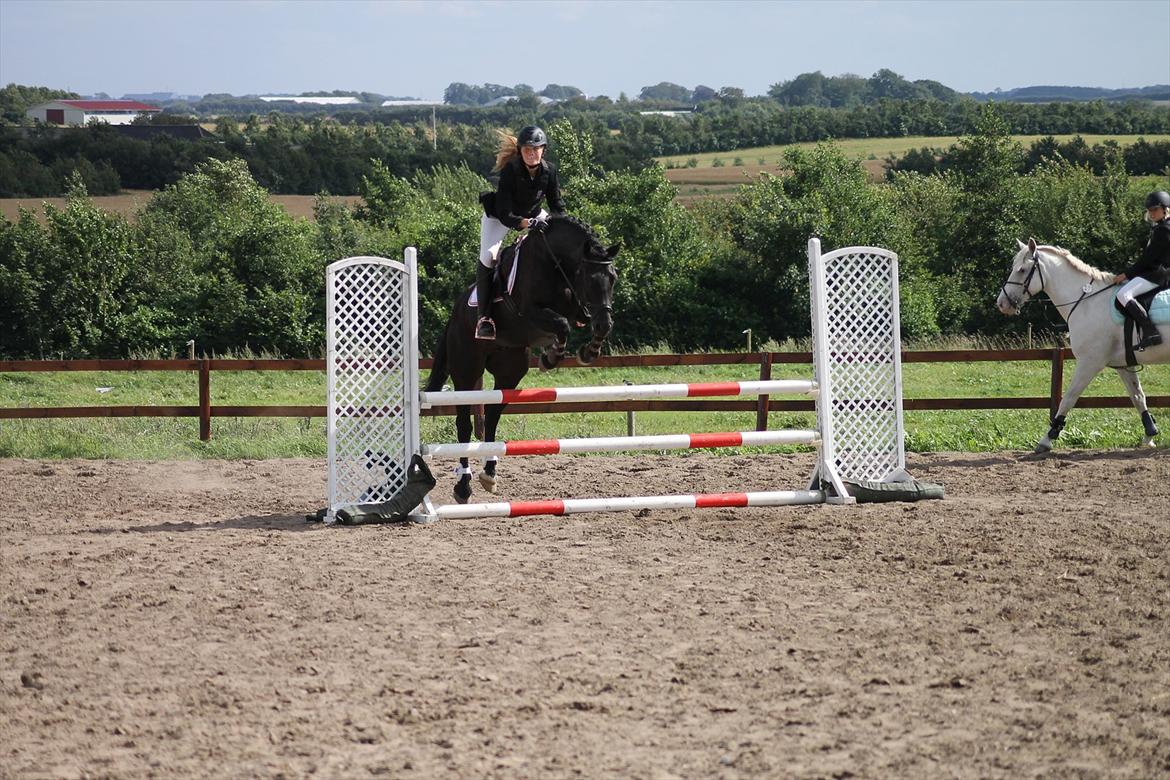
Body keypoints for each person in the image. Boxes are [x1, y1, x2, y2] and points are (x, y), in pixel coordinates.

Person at [474, 125, 566, 340]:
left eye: (536, 149)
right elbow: (506, 214)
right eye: (527, 150)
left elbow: (556, 204)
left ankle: (573, 306)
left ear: (544, 150)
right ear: (520, 151)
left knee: (557, 251)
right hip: (500, 217)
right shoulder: (511, 170)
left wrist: (563, 226)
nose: (531, 153)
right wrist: (528, 224)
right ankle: (484, 318)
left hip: (533, 215)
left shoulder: (550, 170)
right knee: (488, 257)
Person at [1113, 190, 1170, 350]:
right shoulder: (1161, 227)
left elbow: (1148, 259)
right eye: (1150, 210)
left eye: (1155, 210)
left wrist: (1127, 274)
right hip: (1158, 272)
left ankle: (1151, 331)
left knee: (1123, 294)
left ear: (1165, 209)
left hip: (1157, 274)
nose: (1152, 213)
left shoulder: (1163, 230)